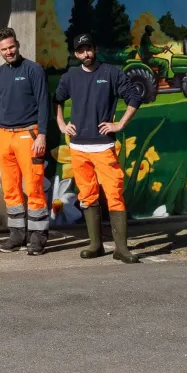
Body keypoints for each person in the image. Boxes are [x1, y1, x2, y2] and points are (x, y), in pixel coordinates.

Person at [55, 33, 144, 263]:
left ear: (95, 49)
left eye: (89, 48)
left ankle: (121, 249)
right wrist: (62, 124)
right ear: (76, 54)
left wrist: (120, 124)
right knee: (87, 195)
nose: (86, 53)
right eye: (81, 50)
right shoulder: (70, 76)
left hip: (104, 147)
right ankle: (96, 244)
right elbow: (57, 99)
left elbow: (134, 97)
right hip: (78, 147)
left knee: (114, 194)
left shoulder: (112, 73)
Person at [0, 27, 52, 255]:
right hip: (4, 135)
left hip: (29, 134)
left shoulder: (34, 70)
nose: (9, 52)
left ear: (18, 45)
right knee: (10, 188)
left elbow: (44, 104)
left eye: (11, 47)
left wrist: (42, 133)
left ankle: (38, 237)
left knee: (34, 186)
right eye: (4, 49)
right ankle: (16, 234)